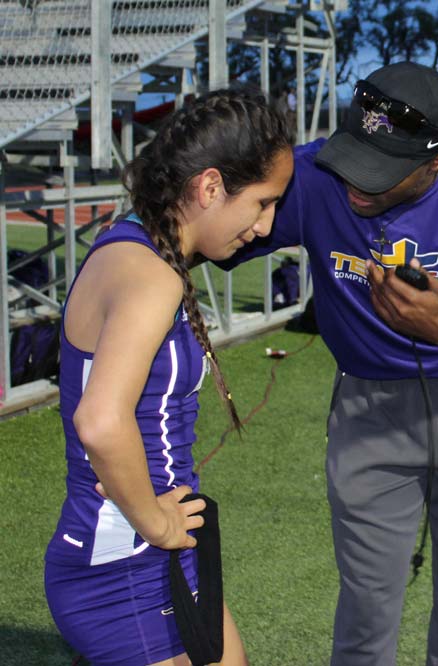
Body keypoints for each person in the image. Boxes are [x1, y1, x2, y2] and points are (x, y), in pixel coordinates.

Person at [219, 61, 438, 665]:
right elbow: (207, 232)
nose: (357, 185)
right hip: (368, 404)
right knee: (367, 610)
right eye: (355, 159)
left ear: (437, 163)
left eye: (382, 174)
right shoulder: (316, 174)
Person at [44, 89, 295, 666]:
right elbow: (100, 421)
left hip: (160, 550)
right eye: (261, 203)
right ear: (209, 187)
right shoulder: (148, 272)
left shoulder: (141, 248)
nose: (265, 226)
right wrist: (157, 523)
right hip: (122, 568)